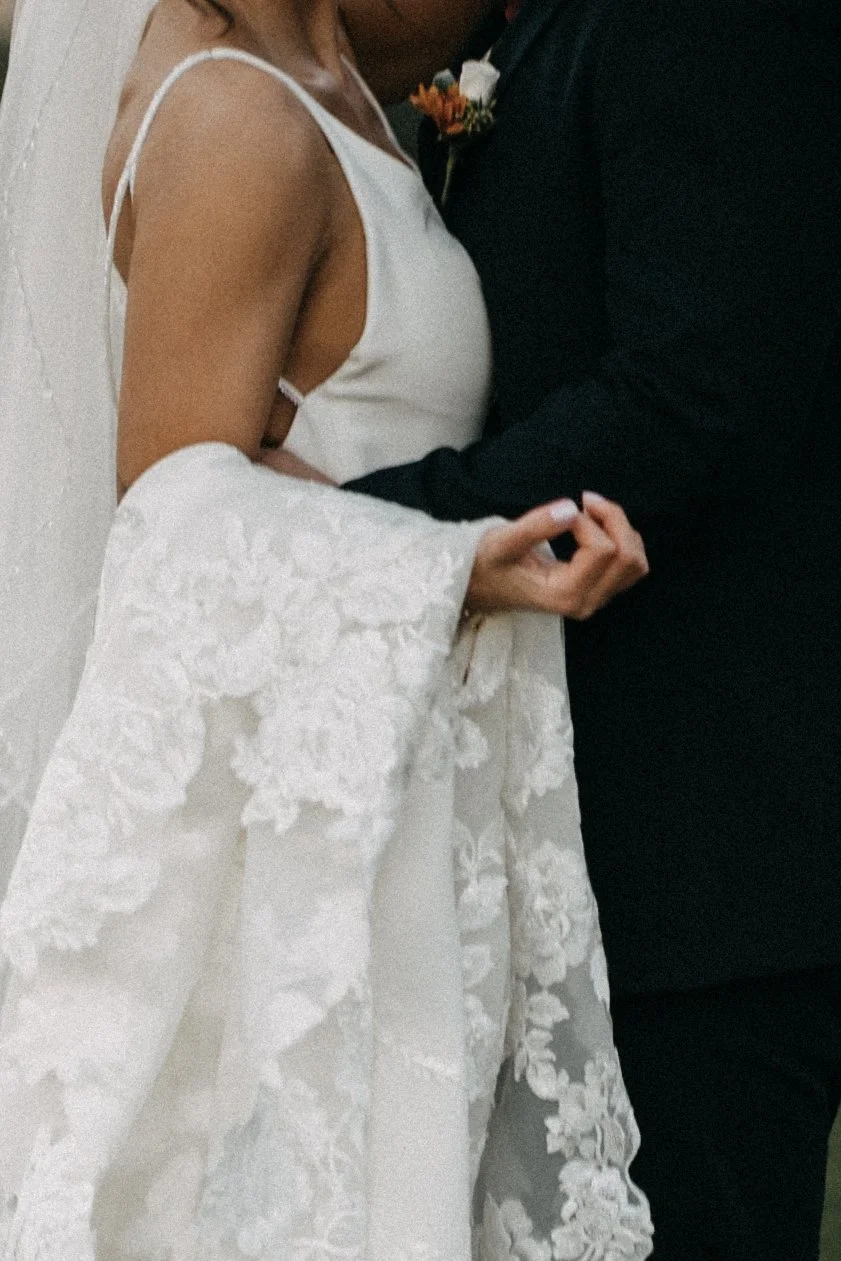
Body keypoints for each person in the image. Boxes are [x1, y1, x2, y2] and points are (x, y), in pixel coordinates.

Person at [0, 0, 653, 1255]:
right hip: (287, 857)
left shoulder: (336, 79)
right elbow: (176, 509)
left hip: (383, 809)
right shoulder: (239, 117)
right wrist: (455, 567)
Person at [273, 0, 840, 1256]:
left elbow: (700, 387)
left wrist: (363, 536)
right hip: (522, 843)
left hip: (693, 866)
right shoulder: (512, 30)